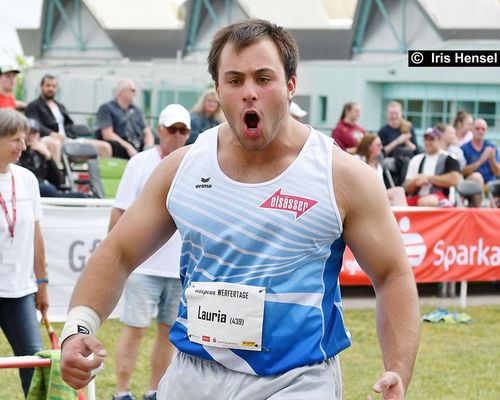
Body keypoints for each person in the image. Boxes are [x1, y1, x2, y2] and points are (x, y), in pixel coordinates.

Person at [60, 19, 420, 400]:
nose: (249, 92)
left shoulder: (342, 176)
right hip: (191, 376)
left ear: (291, 86)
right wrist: (78, 327)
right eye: (234, 81)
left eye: (264, 78)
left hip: (296, 380)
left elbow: (392, 273)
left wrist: (397, 369)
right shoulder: (182, 168)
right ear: (217, 90)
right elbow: (118, 253)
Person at [110, 104, 188, 400]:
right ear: (160, 130)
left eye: (183, 131)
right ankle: (122, 391)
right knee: (135, 330)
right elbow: (119, 211)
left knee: (168, 333)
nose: (177, 136)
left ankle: (155, 390)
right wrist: (118, 260)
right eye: (172, 130)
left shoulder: (194, 163)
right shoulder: (140, 163)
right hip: (143, 266)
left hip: (178, 268)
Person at [0, 109, 49, 396]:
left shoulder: (27, 179)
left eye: (24, 139)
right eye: (15, 140)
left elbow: (36, 235)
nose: (23, 146)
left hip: (20, 291)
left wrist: (41, 285)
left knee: (34, 362)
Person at [25, 75, 112, 166]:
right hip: (46, 138)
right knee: (55, 144)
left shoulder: (60, 106)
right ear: (42, 86)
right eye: (48, 85)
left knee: (105, 147)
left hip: (68, 139)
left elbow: (68, 125)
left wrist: (71, 135)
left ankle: (101, 178)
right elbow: (34, 124)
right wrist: (52, 133)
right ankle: (57, 178)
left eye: (53, 86)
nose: (51, 88)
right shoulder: (33, 106)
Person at [17, 119, 87, 198]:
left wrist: (49, 157)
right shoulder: (17, 152)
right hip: (26, 190)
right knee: (48, 189)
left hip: (44, 192)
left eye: (34, 133)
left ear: (39, 135)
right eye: (28, 133)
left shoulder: (41, 152)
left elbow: (57, 182)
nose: (31, 137)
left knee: (81, 196)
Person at [96, 79, 154, 159]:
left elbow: (147, 132)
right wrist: (128, 147)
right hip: (121, 149)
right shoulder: (106, 108)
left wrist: (148, 148)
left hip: (139, 148)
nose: (135, 94)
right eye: (133, 90)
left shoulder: (137, 110)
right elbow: (107, 134)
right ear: (121, 92)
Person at [404, 127, 461, 207]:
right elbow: (407, 188)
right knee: (396, 197)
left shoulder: (449, 158)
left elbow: (455, 180)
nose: (428, 142)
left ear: (440, 140)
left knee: (426, 201)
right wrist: (415, 183)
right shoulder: (416, 159)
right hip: (418, 197)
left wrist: (429, 178)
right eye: (426, 139)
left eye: (431, 139)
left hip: (442, 197)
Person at [354, 133, 408, 206]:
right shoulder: (356, 160)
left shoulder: (378, 165)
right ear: (369, 146)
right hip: (362, 194)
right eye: (378, 145)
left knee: (399, 191)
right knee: (394, 198)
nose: (381, 147)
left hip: (376, 194)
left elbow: (381, 186)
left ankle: (403, 215)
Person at [378, 101, 419, 186]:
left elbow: (416, 149)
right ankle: (404, 186)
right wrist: (398, 141)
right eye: (391, 113)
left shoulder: (409, 128)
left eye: (396, 113)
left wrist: (407, 142)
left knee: (405, 157)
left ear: (401, 113)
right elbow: (382, 152)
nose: (393, 116)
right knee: (400, 153)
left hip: (408, 157)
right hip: (393, 160)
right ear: (387, 114)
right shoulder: (383, 131)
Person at [461, 118, 500, 186]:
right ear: (472, 130)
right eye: (477, 128)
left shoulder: (491, 147)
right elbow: (462, 172)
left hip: (490, 184)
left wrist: (492, 159)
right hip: (471, 184)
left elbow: (497, 172)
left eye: (483, 129)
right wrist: (480, 161)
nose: (480, 131)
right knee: (477, 177)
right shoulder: (464, 148)